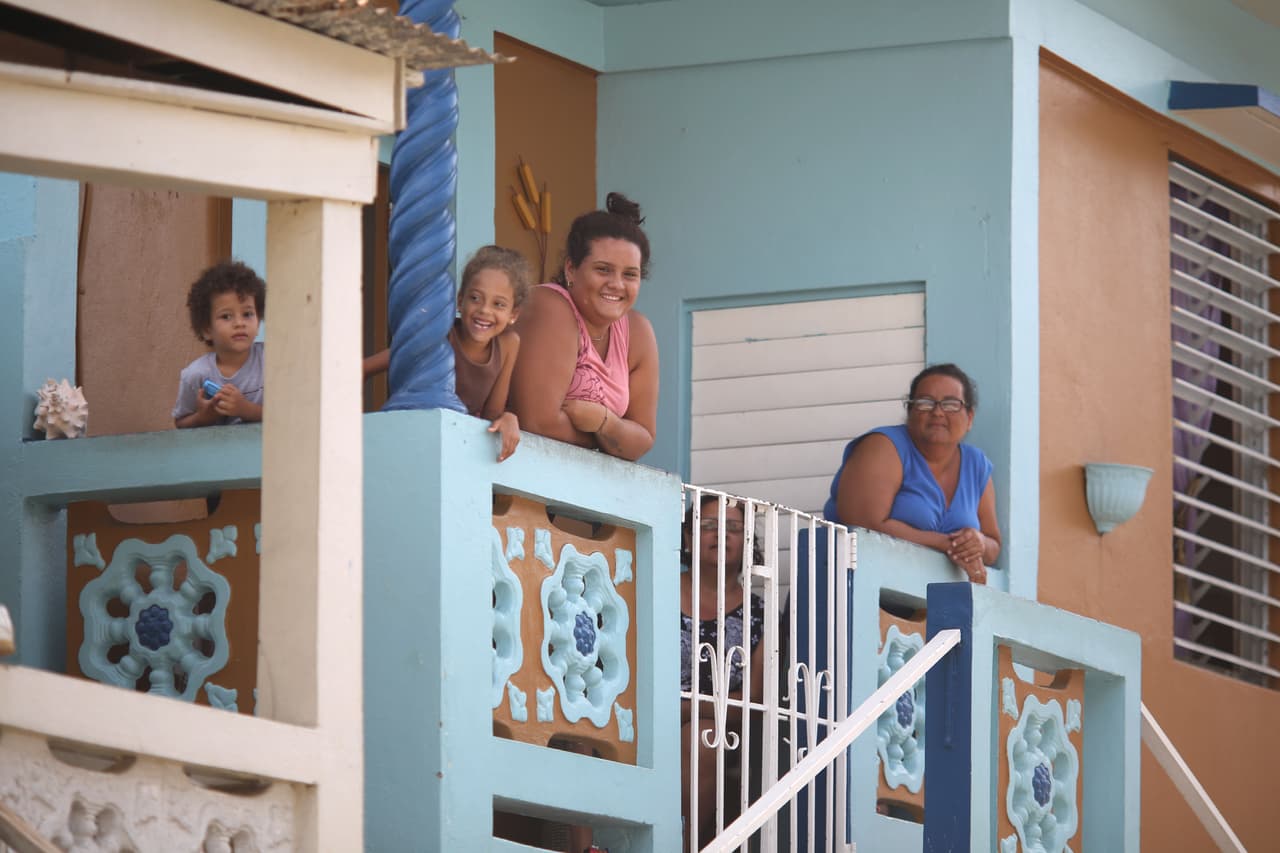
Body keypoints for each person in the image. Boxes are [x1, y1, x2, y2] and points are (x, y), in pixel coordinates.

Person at [509, 193, 659, 462]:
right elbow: (538, 423)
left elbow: (643, 438)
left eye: (630, 275)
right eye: (603, 270)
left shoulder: (638, 332)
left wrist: (603, 422)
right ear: (570, 269)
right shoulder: (551, 307)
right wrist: (612, 441)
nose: (616, 284)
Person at [822, 363, 1000, 583]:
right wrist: (949, 544)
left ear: (970, 417)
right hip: (849, 590)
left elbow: (993, 547)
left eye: (951, 404)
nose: (937, 412)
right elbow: (864, 523)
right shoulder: (884, 446)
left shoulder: (977, 465)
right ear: (909, 411)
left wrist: (978, 543)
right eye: (925, 403)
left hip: (928, 604)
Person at [365, 245, 529, 462]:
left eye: (498, 304)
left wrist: (509, 417)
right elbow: (383, 360)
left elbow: (492, 414)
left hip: (456, 445)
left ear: (513, 314)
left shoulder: (509, 344)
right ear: (460, 300)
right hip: (416, 431)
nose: (484, 310)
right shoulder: (443, 334)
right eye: (475, 298)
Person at [680, 494, 765, 850]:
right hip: (645, 715)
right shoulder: (659, 584)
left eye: (733, 528)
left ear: (746, 542)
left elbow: (752, 700)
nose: (721, 535)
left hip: (714, 725)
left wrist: (682, 706)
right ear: (688, 538)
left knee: (704, 736)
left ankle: (681, 845)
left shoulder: (759, 611)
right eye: (709, 525)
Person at [173, 260, 265, 428]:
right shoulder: (196, 375)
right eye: (226, 316)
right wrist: (203, 418)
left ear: (258, 322)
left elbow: (290, 414)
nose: (239, 323)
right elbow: (180, 424)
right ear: (207, 329)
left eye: (247, 314)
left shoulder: (271, 361)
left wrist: (245, 409)